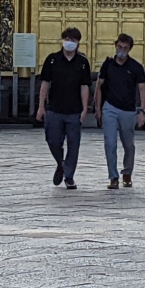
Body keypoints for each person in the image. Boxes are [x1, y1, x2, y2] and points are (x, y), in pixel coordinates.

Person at [36, 27, 92, 190]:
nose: (69, 42)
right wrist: (41, 106)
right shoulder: (52, 60)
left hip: (74, 110)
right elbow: (45, 83)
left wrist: (85, 108)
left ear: (78, 42)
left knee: (74, 144)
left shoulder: (82, 63)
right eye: (67, 39)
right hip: (54, 108)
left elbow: (85, 86)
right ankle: (61, 163)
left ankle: (69, 176)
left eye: (73, 40)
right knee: (53, 140)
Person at [95, 33, 145, 190]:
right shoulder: (108, 65)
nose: (122, 50)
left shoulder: (136, 67)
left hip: (128, 110)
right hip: (110, 107)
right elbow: (99, 86)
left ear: (129, 49)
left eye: (125, 48)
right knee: (110, 143)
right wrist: (98, 108)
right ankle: (113, 177)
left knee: (128, 145)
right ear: (115, 46)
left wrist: (142, 111)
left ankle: (127, 172)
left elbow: (142, 90)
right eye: (119, 47)